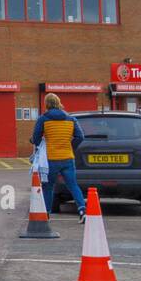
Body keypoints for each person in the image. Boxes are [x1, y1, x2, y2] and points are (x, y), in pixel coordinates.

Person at [31, 92, 88, 222]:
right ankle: (82, 210)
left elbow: (36, 138)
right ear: (59, 103)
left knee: (48, 186)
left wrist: (39, 143)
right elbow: (80, 137)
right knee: (73, 185)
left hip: (50, 159)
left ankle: (46, 214)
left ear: (47, 104)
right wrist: (70, 146)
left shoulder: (43, 119)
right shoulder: (71, 119)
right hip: (68, 158)